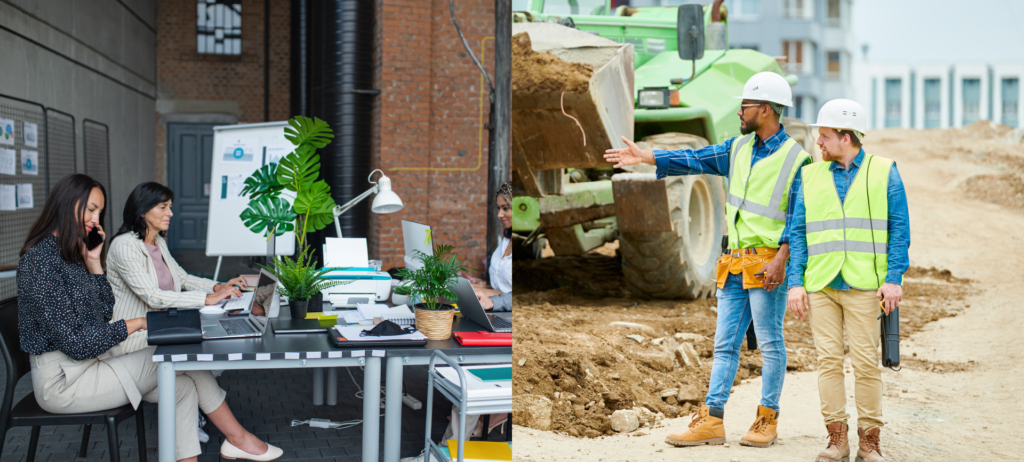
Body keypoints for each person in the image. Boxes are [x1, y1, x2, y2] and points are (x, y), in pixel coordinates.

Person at [604, 72, 811, 449]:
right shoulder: (738, 149)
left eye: (746, 105)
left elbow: (799, 219)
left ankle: (767, 419)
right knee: (725, 346)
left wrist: (782, 259)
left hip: (767, 266)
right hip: (733, 264)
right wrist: (645, 156)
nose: (740, 111)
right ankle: (711, 420)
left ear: (765, 110)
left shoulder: (797, 159)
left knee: (770, 344)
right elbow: (693, 158)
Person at [16, 174, 281, 462]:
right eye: (91, 210)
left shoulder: (71, 253)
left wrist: (94, 263)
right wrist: (138, 323)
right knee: (180, 359)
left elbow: (103, 311)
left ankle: (223, 445)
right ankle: (238, 438)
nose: (96, 219)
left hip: (94, 363)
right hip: (65, 381)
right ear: (67, 205)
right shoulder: (41, 261)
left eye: (99, 212)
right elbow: (76, 344)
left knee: (181, 387)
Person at [787, 99, 909, 462]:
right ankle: (836, 439)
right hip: (822, 284)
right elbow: (797, 232)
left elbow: (899, 228)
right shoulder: (810, 175)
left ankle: (869, 441)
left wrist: (893, 278)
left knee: (866, 365)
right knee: (828, 361)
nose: (818, 143)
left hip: (863, 285)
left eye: (824, 136)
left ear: (845, 137)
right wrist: (796, 282)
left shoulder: (884, 171)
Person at [106, 182, 250, 355]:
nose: (170, 213)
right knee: (209, 349)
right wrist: (208, 299)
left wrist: (218, 287)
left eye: (170, 207)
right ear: (142, 211)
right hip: (136, 338)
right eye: (163, 207)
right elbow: (153, 296)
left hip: (162, 328)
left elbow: (184, 279)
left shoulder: (157, 241)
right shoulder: (125, 245)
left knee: (215, 344)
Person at [466, 182, 513, 312]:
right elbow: (501, 289)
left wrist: (492, 301)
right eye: (499, 208)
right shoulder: (505, 241)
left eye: (505, 208)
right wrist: (473, 289)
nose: (499, 214)